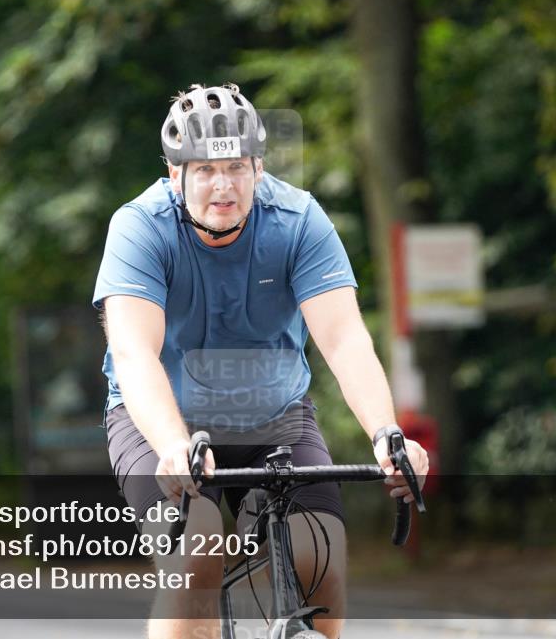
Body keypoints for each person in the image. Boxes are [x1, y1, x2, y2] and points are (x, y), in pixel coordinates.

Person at [93, 83, 429, 639]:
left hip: (273, 415)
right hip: (159, 421)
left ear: (258, 167)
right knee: (196, 556)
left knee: (318, 554)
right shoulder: (140, 228)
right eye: (203, 170)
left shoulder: (297, 221)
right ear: (176, 175)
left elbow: (344, 338)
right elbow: (133, 353)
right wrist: (174, 446)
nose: (222, 185)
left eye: (238, 167)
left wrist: (385, 433)